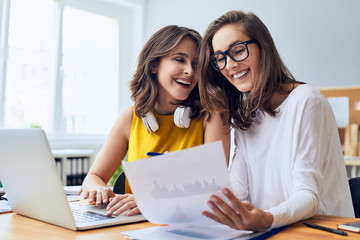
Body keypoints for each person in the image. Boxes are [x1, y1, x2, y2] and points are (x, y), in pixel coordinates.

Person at [198, 10, 354, 231]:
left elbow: (308, 196)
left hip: (319, 232)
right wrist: (181, 199)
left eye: (238, 50)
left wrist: (266, 218)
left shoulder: (306, 101)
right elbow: (238, 187)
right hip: (274, 231)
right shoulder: (246, 114)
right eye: (220, 58)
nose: (230, 65)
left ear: (263, 47)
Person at [81, 25, 230, 217]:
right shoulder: (130, 118)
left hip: (183, 222)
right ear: (154, 65)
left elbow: (214, 184)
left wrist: (150, 200)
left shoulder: (213, 115)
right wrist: (97, 189)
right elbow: (94, 177)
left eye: (195, 64)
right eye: (179, 60)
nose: (189, 71)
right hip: (130, 222)